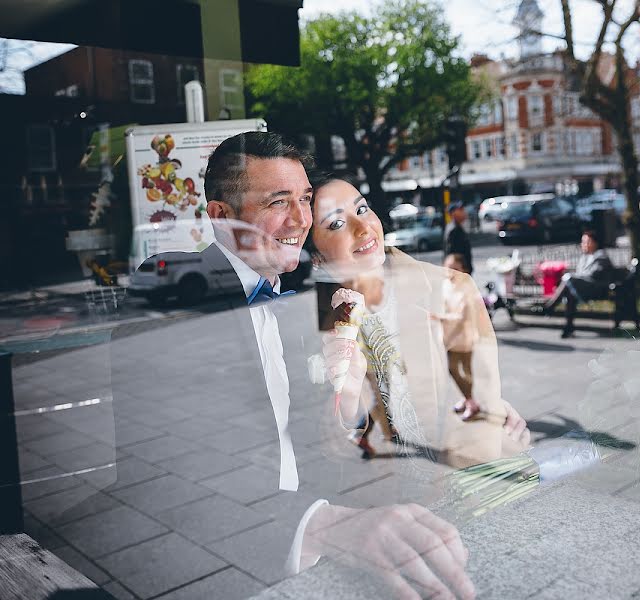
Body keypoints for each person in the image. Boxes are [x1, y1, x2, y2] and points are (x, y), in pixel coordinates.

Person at [117, 132, 477, 600]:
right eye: (279, 201)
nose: (302, 219)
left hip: (316, 558)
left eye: (305, 199)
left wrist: (349, 405)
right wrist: (320, 525)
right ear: (221, 218)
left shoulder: (300, 306)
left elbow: (309, 444)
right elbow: (165, 491)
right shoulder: (176, 323)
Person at [308, 174, 530, 471]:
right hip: (366, 360)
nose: (363, 228)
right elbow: (333, 331)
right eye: (336, 224)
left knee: (383, 393)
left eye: (362, 209)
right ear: (318, 260)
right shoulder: (334, 292)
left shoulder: (406, 274)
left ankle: (378, 430)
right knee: (377, 394)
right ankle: (374, 430)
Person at [542, 229, 613, 338]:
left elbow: (593, 275)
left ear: (595, 243)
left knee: (568, 279)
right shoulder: (584, 257)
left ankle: (550, 306)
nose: (584, 245)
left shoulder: (601, 256)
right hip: (584, 288)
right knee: (570, 294)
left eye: (587, 242)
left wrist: (573, 278)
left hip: (597, 289)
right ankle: (568, 327)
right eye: (583, 242)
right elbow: (580, 274)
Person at [436, 253, 481, 421]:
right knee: (459, 370)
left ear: (463, 269)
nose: (451, 271)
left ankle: (471, 402)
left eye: (455, 268)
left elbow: (462, 317)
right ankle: (468, 398)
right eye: (448, 267)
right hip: (449, 334)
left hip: (463, 335)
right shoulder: (445, 284)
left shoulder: (467, 287)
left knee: (459, 369)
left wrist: (440, 318)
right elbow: (445, 307)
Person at [444, 201, 473, 274]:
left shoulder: (457, 227)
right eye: (461, 210)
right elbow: (453, 255)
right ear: (453, 213)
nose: (464, 212)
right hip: (460, 272)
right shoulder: (454, 230)